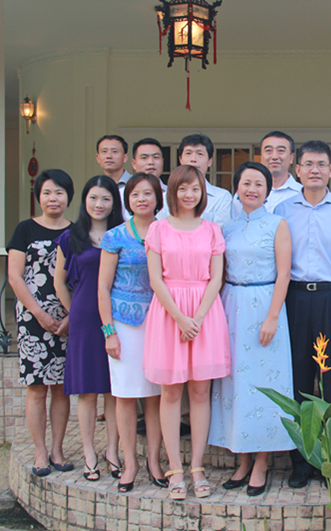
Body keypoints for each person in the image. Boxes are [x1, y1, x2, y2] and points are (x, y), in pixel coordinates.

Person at [274, 140, 331, 489]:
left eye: (321, 164)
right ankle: (301, 461)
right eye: (308, 164)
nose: (314, 170)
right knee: (297, 380)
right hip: (294, 300)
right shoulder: (282, 210)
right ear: (297, 170)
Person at [143, 164, 231, 499]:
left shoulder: (212, 230)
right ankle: (175, 470)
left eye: (195, 188)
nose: (189, 194)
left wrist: (197, 317)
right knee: (170, 393)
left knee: (200, 392)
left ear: (203, 192)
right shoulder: (158, 229)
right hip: (169, 313)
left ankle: (197, 466)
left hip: (205, 313)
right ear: (173, 192)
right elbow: (156, 279)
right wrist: (180, 318)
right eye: (183, 188)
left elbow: (216, 277)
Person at [209, 161, 295, 497]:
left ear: (267, 190)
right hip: (231, 305)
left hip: (264, 304)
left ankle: (262, 462)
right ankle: (242, 459)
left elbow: (284, 274)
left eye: (259, 184)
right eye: (246, 183)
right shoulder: (226, 228)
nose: (252, 189)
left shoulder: (277, 224)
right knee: (235, 385)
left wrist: (272, 317)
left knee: (264, 384)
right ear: (237, 188)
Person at [97, 173, 167, 493]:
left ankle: (154, 461)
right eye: (136, 194)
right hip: (124, 325)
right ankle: (129, 463)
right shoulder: (114, 236)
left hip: (158, 323)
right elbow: (103, 286)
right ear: (128, 200)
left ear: (157, 199)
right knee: (125, 396)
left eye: (148, 194)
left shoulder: (166, 232)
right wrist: (109, 331)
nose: (142, 199)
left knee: (154, 397)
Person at [54, 176, 124, 482]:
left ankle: (113, 451)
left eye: (106, 198)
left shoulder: (122, 234)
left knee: (114, 390)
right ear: (84, 201)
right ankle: (89, 453)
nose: (99, 204)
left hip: (117, 319)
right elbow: (59, 282)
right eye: (93, 198)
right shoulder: (71, 237)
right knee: (87, 391)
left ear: (114, 203)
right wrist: (74, 313)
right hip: (83, 319)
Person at [7, 169, 74, 477]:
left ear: (68, 197)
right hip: (33, 319)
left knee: (61, 389)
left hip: (68, 318)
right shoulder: (25, 229)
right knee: (37, 389)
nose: (53, 198)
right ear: (39, 197)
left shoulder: (76, 231)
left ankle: (58, 449)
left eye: (59, 192)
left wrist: (72, 316)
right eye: (47, 192)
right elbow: (15, 277)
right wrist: (39, 313)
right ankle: (40, 451)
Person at [231, 131, 302, 217]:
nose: (274, 156)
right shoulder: (244, 194)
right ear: (261, 156)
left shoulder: (302, 194)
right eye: (268, 151)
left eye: (280, 151)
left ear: (291, 158)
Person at [178, 133, 232, 226]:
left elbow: (220, 232)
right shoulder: (166, 197)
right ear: (180, 160)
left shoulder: (222, 198)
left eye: (200, 154)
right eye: (188, 153)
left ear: (210, 161)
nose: (193, 159)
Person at [130, 138, 170, 221]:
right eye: (144, 157)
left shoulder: (172, 194)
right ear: (134, 163)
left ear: (162, 161)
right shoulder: (121, 195)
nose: (150, 162)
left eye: (155, 157)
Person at [96, 135, 131, 219]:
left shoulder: (135, 184)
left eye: (114, 152)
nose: (108, 156)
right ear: (98, 158)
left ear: (125, 157)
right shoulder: (95, 186)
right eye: (104, 151)